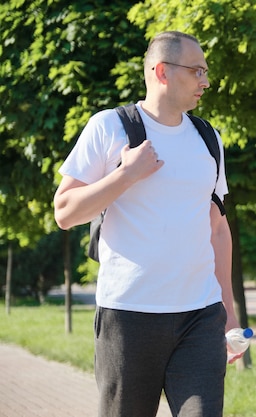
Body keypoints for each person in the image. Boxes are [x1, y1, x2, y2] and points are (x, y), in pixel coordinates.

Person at [53, 31, 240, 417]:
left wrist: (229, 311)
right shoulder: (110, 127)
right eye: (197, 70)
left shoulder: (208, 138)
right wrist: (126, 174)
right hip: (128, 315)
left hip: (200, 315)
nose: (205, 81)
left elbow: (217, 229)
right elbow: (65, 211)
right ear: (162, 72)